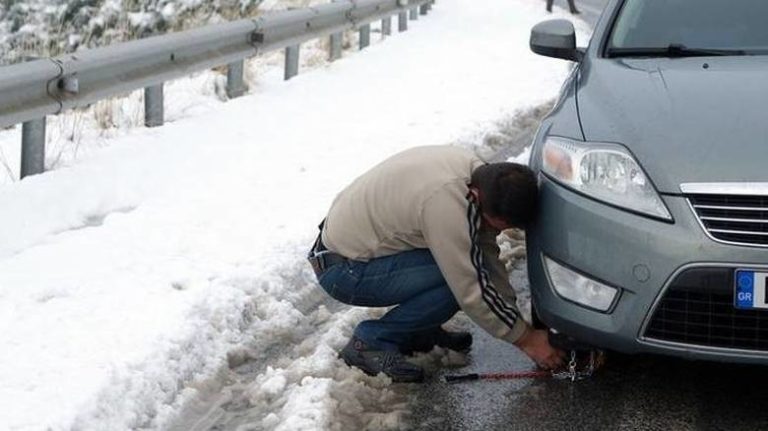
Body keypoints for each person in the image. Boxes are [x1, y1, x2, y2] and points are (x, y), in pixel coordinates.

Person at [307, 145, 565, 382]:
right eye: (501, 225)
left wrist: (516, 319)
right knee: (456, 279)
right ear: (476, 197)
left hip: (355, 250)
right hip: (344, 271)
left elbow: (485, 250)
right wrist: (527, 339)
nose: (498, 231)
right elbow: (471, 287)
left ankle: (417, 330)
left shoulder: (482, 178)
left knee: (465, 266)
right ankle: (369, 342)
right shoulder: (447, 204)